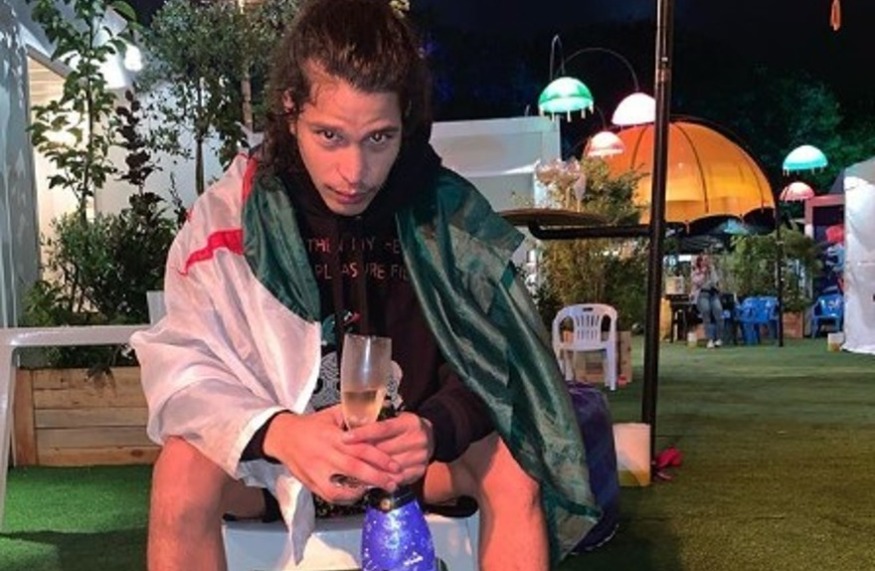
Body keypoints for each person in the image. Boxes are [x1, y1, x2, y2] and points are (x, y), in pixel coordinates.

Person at [130, 0, 598, 570]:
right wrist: (278, 433)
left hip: (412, 467)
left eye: (379, 138)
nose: (354, 172)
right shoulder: (236, 215)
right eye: (329, 135)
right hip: (278, 470)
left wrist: (434, 428)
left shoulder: (447, 219)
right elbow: (183, 369)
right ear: (290, 110)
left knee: (514, 467)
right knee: (181, 470)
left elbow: (502, 363)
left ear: (406, 122)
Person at [690, 253, 724, 348]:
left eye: (707, 260)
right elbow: (697, 282)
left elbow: (715, 281)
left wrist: (711, 271)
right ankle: (710, 339)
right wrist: (703, 274)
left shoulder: (711, 270)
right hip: (702, 294)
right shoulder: (695, 271)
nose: (706, 262)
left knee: (718, 311)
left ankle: (719, 338)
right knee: (706, 311)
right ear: (700, 262)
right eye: (704, 260)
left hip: (712, 294)